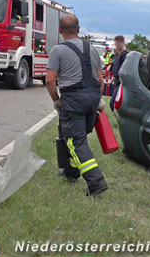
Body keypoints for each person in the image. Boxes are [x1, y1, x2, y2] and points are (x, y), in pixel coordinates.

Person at [45, 14, 108, 196]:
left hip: (74, 99)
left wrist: (56, 100)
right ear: (79, 30)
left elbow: (50, 80)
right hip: (92, 98)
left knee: (74, 140)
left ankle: (96, 183)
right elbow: (100, 79)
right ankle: (72, 173)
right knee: (80, 137)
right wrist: (99, 99)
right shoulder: (92, 49)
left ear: (60, 31)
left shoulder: (58, 50)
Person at [109, 35, 128, 111]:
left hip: (122, 84)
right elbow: (117, 69)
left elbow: (124, 70)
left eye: (118, 43)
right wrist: (112, 79)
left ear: (123, 43)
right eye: (116, 43)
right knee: (113, 104)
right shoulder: (117, 55)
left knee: (113, 103)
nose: (117, 45)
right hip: (117, 82)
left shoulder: (125, 55)